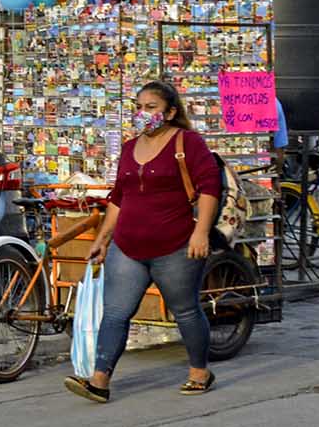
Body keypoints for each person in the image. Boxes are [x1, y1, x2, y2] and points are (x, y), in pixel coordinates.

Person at [67, 80, 220, 404]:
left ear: (170, 112)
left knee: (186, 312)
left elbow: (209, 188)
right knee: (115, 313)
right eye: (139, 107)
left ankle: (199, 372)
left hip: (176, 247)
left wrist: (201, 232)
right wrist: (103, 238)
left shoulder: (187, 142)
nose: (143, 113)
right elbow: (119, 199)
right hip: (127, 248)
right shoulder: (128, 147)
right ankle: (99, 380)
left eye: (151, 107)